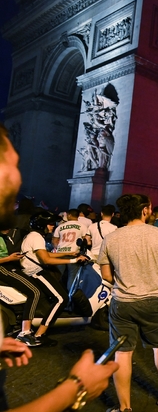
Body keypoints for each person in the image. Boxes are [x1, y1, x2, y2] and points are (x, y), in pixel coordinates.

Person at [0, 122, 119, 411]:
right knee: (53, 296)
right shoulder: (35, 234)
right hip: (36, 270)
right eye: (11, 163)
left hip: (51, 267)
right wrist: (75, 389)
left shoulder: (41, 231)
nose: (18, 177)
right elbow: (47, 257)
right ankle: (35, 334)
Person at [98, 194, 158, 412]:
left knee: (122, 353)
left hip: (123, 302)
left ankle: (124, 407)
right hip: (154, 300)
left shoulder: (111, 238)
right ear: (145, 210)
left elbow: (106, 275)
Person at [19, 211, 88, 346]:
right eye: (50, 224)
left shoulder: (33, 236)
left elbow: (47, 254)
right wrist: (73, 261)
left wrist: (69, 253)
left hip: (34, 271)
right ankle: (40, 334)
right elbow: (46, 260)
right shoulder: (36, 237)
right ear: (42, 224)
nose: (53, 226)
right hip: (35, 272)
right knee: (62, 298)